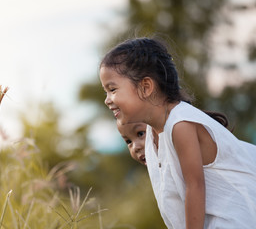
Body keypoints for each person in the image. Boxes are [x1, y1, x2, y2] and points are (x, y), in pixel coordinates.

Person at [99, 37, 256, 229]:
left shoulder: (181, 124)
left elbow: (195, 188)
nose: (107, 100)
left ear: (146, 87)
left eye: (112, 89)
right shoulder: (152, 132)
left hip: (240, 219)